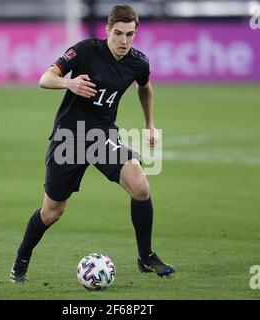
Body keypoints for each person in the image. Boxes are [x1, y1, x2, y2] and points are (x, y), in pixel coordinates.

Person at [10, 4, 176, 283]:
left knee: (141, 187)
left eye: (130, 34)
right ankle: (22, 258)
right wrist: (69, 84)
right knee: (52, 213)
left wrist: (149, 123)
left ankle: (146, 257)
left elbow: (144, 87)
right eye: (118, 34)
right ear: (107, 31)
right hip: (69, 138)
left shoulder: (138, 62)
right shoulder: (86, 50)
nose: (124, 41)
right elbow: (45, 78)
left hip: (102, 136)